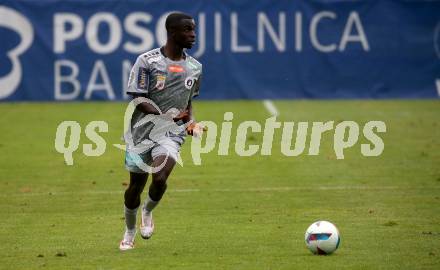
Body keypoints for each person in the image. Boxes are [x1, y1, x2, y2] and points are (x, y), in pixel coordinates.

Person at [119, 12, 204, 251]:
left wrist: (191, 123)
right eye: (187, 29)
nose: (193, 34)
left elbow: (188, 104)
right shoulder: (147, 61)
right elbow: (138, 98)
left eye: (193, 29)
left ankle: (148, 211)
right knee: (134, 187)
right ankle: (129, 230)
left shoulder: (195, 67)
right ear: (172, 32)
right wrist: (164, 115)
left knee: (160, 177)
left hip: (170, 134)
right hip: (140, 133)